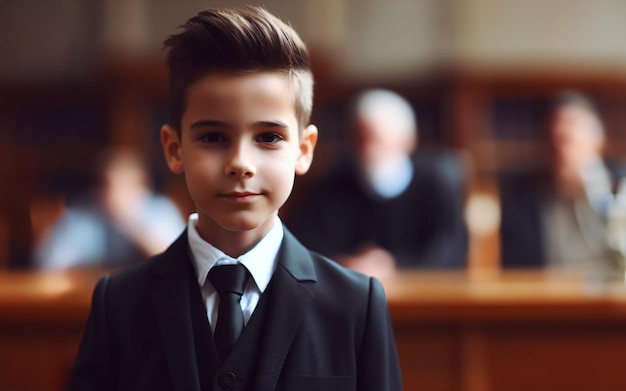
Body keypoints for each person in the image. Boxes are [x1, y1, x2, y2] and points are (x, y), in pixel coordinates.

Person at [68, 7, 402, 391]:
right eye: (212, 137)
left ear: (303, 150)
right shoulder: (118, 304)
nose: (241, 164)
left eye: (268, 137)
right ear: (174, 149)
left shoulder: (357, 304)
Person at [288, 89, 468, 277]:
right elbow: (304, 248)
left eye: (375, 140)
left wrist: (393, 266)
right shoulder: (330, 184)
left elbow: (450, 254)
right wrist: (345, 264)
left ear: (408, 141)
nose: (367, 151)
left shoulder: (435, 184)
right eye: (360, 140)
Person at [499, 91, 626, 271]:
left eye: (566, 141)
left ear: (599, 143)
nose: (559, 153)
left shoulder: (619, 188)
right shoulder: (522, 198)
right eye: (552, 141)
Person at [34, 148, 185, 270]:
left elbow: (178, 264)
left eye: (123, 186)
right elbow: (48, 264)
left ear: (143, 185)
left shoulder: (162, 210)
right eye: (105, 186)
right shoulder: (84, 212)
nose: (111, 194)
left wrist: (128, 220)